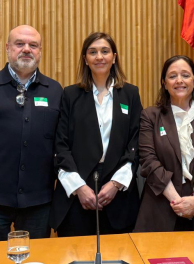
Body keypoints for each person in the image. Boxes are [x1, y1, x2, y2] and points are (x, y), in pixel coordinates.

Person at [0, 25, 63, 240]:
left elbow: (59, 141)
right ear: (8, 48)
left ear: (40, 51)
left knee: (36, 259)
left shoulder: (55, 91)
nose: (26, 49)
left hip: (39, 201)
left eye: (33, 45)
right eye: (20, 44)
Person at [50, 32, 142, 236]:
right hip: (77, 192)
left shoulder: (130, 94)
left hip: (118, 194)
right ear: (85, 59)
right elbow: (60, 145)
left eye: (105, 51)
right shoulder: (70, 95)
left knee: (118, 254)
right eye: (93, 52)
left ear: (114, 57)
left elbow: (135, 143)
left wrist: (116, 184)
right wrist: (79, 187)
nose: (99, 57)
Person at [135, 56, 194, 232]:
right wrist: (177, 202)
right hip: (161, 211)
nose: (179, 80)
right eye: (172, 76)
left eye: (185, 75)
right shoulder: (150, 116)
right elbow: (149, 162)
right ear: (164, 83)